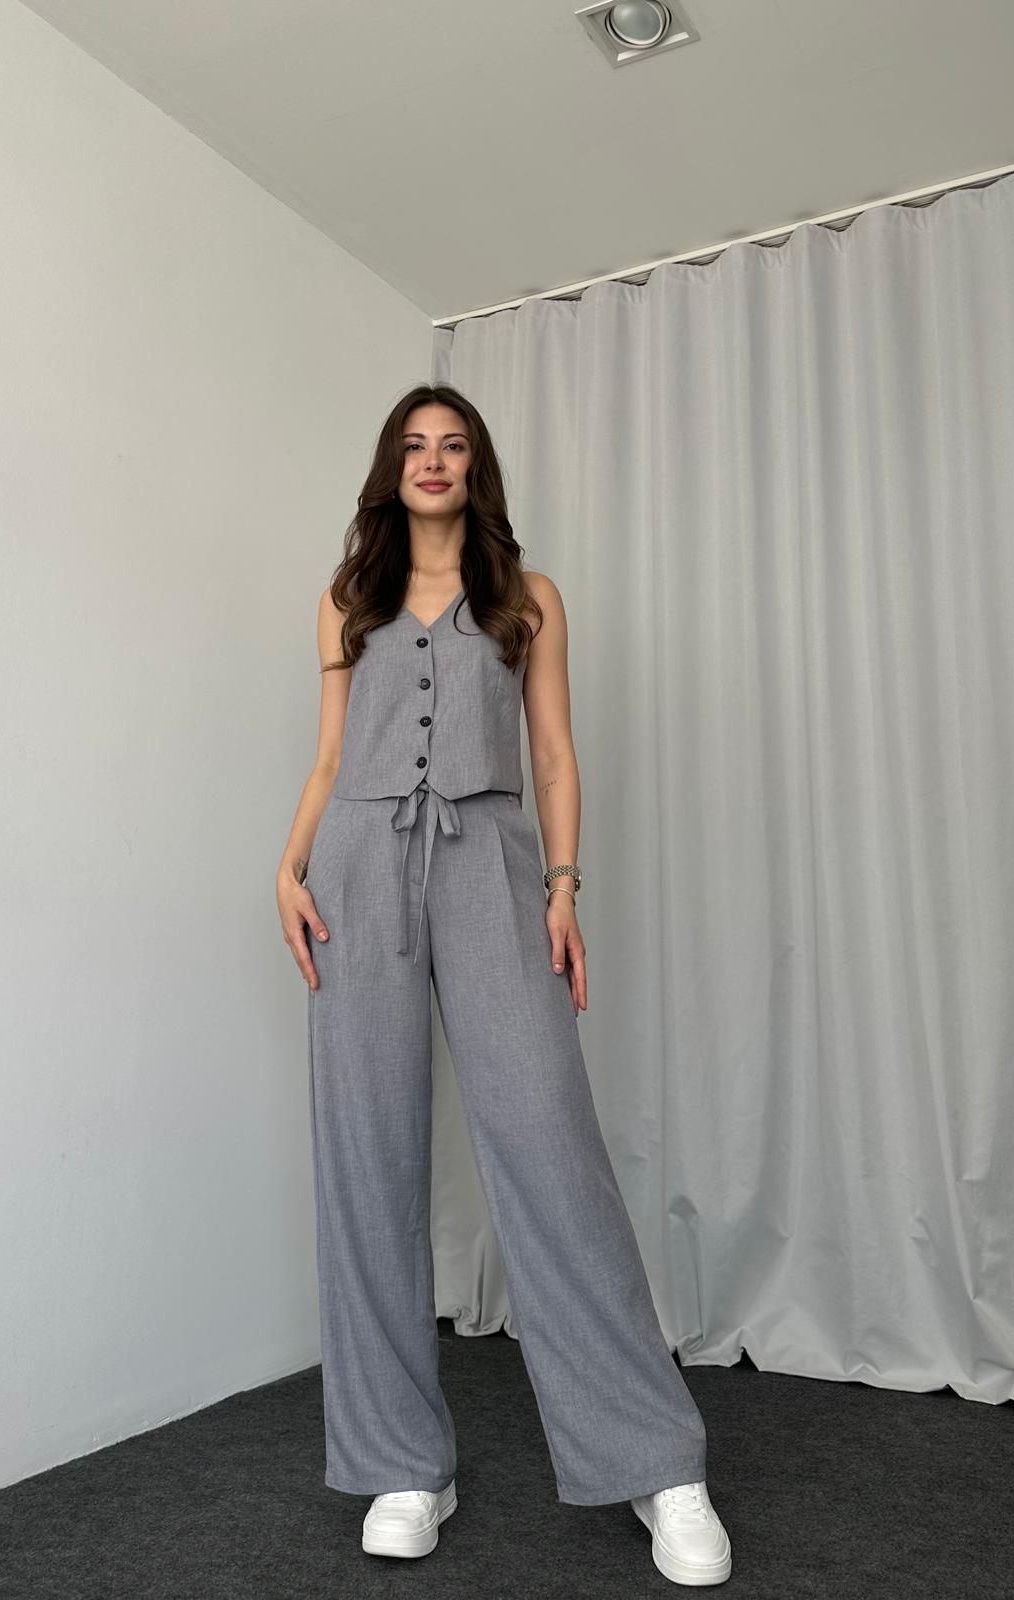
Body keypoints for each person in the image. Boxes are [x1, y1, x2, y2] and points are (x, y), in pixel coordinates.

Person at [275, 383, 732, 1587]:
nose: (433, 461)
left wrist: (564, 885)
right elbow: (329, 755)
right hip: (357, 865)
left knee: (547, 1140)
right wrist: (288, 864)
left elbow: (555, 754)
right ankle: (400, 1463)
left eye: (453, 445)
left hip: (490, 859)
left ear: (476, 468)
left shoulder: (529, 599)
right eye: (414, 446)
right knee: (367, 1156)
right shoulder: (347, 598)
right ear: (392, 469)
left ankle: (656, 1460)